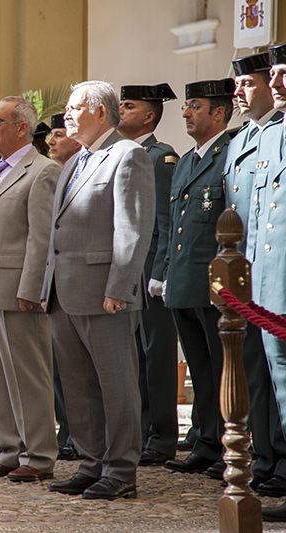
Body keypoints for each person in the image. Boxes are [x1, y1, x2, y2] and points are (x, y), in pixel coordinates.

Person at [41, 80, 155, 500]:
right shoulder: (74, 162)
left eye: (74, 108)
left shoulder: (127, 155)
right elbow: (57, 233)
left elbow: (132, 228)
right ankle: (91, 464)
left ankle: (121, 470)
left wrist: (121, 287)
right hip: (65, 293)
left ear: (101, 113)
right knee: (78, 385)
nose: (66, 115)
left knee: (116, 384)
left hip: (106, 294)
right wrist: (45, 287)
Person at [0, 96, 59, 481]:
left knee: (28, 374)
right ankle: (9, 450)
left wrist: (32, 285)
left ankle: (38, 456)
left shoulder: (43, 171)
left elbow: (41, 237)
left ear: (23, 128)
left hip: (19, 289)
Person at [161, 79, 234, 480]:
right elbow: (174, 225)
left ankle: (229, 445)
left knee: (224, 370)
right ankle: (205, 442)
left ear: (218, 113)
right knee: (200, 370)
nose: (186, 113)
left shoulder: (232, 152)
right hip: (185, 280)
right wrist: (166, 275)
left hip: (217, 284)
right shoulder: (187, 160)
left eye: (195, 106)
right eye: (186, 106)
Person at [223, 53, 286, 496]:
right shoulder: (260, 136)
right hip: (260, 281)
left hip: (278, 281)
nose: (278, 81)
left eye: (284, 73)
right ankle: (269, 457)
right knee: (264, 373)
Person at [116, 83, 181, 467]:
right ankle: (139, 432)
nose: (120, 110)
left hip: (149, 274)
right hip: (126, 272)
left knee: (155, 355)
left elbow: (165, 222)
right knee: (132, 357)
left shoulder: (161, 158)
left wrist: (159, 274)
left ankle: (162, 435)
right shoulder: (120, 154)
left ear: (149, 116)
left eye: (129, 105)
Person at [250, 42, 286, 522]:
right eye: (274, 74)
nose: (275, 82)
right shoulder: (272, 136)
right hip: (270, 286)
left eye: (284, 74)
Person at [45, 111, 81, 461]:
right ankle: (67, 430)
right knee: (61, 369)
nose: (52, 140)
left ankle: (77, 434)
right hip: (54, 283)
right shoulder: (54, 174)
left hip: (80, 283)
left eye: (59, 133)